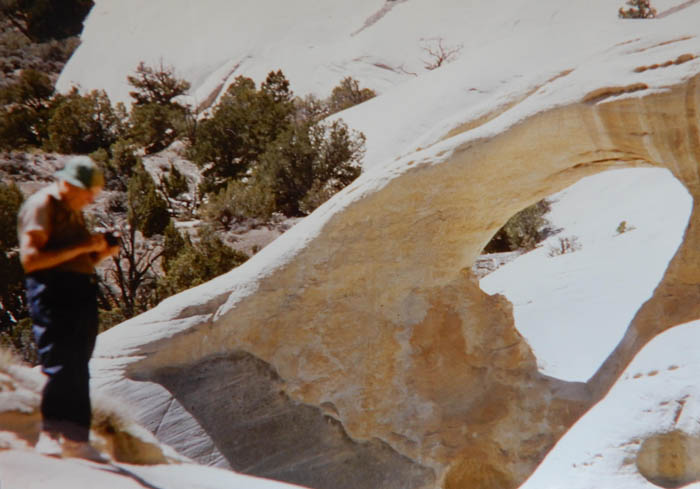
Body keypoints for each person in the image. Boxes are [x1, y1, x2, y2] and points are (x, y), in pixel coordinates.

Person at [17, 156, 119, 462]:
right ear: (71, 184)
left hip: (78, 292)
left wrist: (101, 253)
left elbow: (77, 261)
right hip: (52, 292)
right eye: (89, 193)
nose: (91, 200)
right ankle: (49, 435)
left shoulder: (71, 210)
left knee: (78, 366)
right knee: (59, 363)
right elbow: (31, 260)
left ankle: (76, 440)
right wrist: (85, 246)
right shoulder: (42, 206)